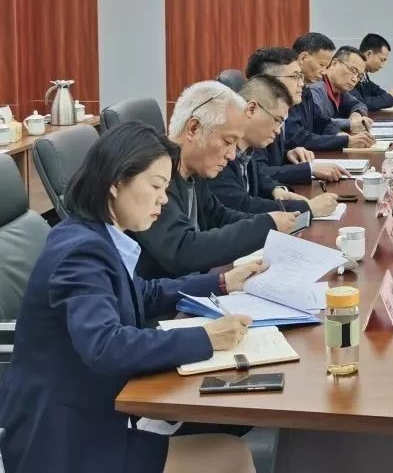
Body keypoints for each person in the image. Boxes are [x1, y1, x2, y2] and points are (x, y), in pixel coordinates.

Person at [0, 122, 261, 473]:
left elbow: (141, 293)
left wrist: (222, 282)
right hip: (62, 443)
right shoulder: (82, 253)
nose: (164, 199)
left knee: (223, 443)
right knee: (230, 455)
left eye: (166, 188)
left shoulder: (94, 235)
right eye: (156, 185)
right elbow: (105, 345)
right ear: (116, 182)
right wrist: (206, 338)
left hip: (88, 417)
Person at [133, 82, 299, 279]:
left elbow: (218, 216)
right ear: (194, 128)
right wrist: (264, 226)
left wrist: (273, 224)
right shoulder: (155, 179)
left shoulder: (194, 172)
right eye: (228, 142)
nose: (232, 155)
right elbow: (183, 251)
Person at [208, 75, 339, 218]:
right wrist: (308, 207)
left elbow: (259, 175)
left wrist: (276, 190)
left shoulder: (245, 151)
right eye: (277, 120)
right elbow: (240, 205)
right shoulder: (220, 153)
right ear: (251, 109)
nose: (278, 131)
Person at [244, 46, 344, 186]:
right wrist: (309, 169)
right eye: (295, 77)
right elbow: (256, 173)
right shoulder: (255, 116)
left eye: (300, 76)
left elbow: (268, 159)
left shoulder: (279, 110)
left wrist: (287, 154)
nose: (301, 83)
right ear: (269, 80)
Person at [285, 39, 374, 152]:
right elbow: (296, 138)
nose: (324, 72)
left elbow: (321, 122)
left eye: (359, 76)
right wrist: (345, 137)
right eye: (322, 65)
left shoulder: (306, 88)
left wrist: (341, 135)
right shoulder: (308, 88)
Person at [353, 33, 393, 110]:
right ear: (369, 54)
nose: (382, 66)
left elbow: (375, 91)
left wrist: (391, 96)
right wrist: (389, 98)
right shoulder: (351, 74)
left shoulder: (364, 75)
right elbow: (358, 103)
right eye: (382, 60)